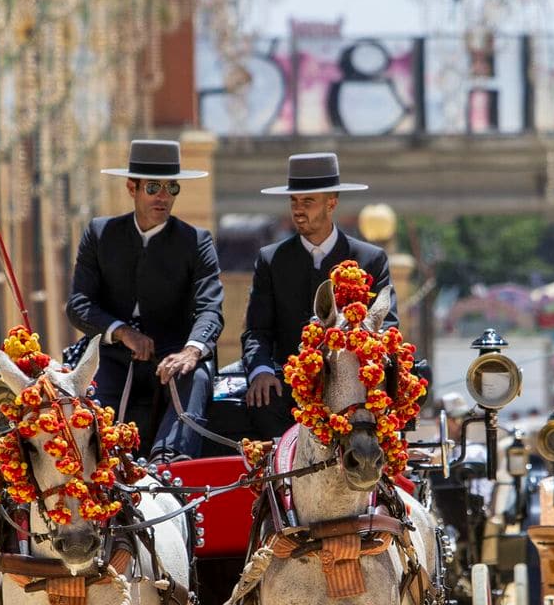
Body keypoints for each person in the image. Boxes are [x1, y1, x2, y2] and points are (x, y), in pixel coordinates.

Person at [66, 138, 224, 461]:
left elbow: (210, 310)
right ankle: (91, 465)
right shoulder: (100, 234)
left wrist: (191, 351)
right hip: (112, 356)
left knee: (197, 374)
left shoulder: (197, 241)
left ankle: (170, 464)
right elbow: (79, 305)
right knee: (80, 388)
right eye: (153, 188)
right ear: (131, 188)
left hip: (173, 359)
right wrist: (123, 332)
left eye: (171, 188)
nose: (163, 197)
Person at [241, 151, 398, 439]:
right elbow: (256, 330)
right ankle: (281, 482)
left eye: (308, 202)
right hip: (287, 386)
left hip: (351, 386)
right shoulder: (271, 259)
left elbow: (387, 327)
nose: (299, 210)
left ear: (332, 203)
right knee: (259, 404)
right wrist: (261, 370)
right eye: (294, 201)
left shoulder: (370, 258)